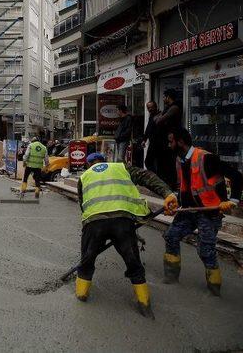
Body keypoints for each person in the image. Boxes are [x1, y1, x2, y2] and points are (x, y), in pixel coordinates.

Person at [76, 152, 178, 317]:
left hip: (94, 223)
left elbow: (83, 207)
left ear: (88, 164)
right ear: (105, 161)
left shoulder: (84, 177)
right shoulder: (121, 167)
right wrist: (168, 194)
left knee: (87, 260)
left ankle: (81, 295)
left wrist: (92, 241)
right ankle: (144, 304)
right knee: (133, 263)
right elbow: (147, 177)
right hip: (123, 223)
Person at [162, 128, 242, 296]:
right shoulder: (180, 160)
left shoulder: (206, 158)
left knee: (205, 250)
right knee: (171, 235)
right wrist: (175, 199)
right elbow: (186, 186)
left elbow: (237, 176)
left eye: (171, 141)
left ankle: (214, 289)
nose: (169, 145)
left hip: (209, 212)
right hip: (189, 210)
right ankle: (171, 278)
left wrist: (232, 201)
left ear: (181, 142)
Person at [154, 89, 183, 188]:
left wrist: (158, 117)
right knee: (164, 161)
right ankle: (166, 182)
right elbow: (157, 118)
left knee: (170, 162)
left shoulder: (174, 108)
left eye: (163, 97)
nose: (162, 99)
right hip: (165, 139)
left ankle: (172, 183)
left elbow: (159, 120)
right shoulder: (168, 108)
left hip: (172, 138)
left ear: (168, 97)